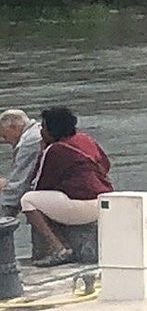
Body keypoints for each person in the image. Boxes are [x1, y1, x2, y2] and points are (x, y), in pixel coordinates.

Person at [20, 108, 111, 265]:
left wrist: (43, 151)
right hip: (104, 200)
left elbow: (39, 184)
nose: (41, 131)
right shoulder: (86, 139)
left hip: (81, 205)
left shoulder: (54, 150)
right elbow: (105, 164)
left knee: (27, 200)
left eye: (43, 127)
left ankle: (59, 249)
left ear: (52, 131)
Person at [0, 109, 40, 218]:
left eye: (5, 136)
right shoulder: (36, 130)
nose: (6, 141)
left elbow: (19, 184)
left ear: (13, 127)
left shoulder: (29, 143)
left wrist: (4, 214)